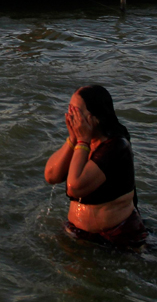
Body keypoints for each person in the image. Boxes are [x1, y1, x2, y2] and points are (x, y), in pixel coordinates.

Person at [44, 85, 146, 249]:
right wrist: (73, 139)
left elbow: (74, 188)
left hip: (115, 239)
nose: (71, 117)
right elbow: (51, 176)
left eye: (76, 113)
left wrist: (83, 141)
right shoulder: (82, 144)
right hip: (79, 232)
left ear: (95, 118)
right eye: (69, 111)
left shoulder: (117, 147)